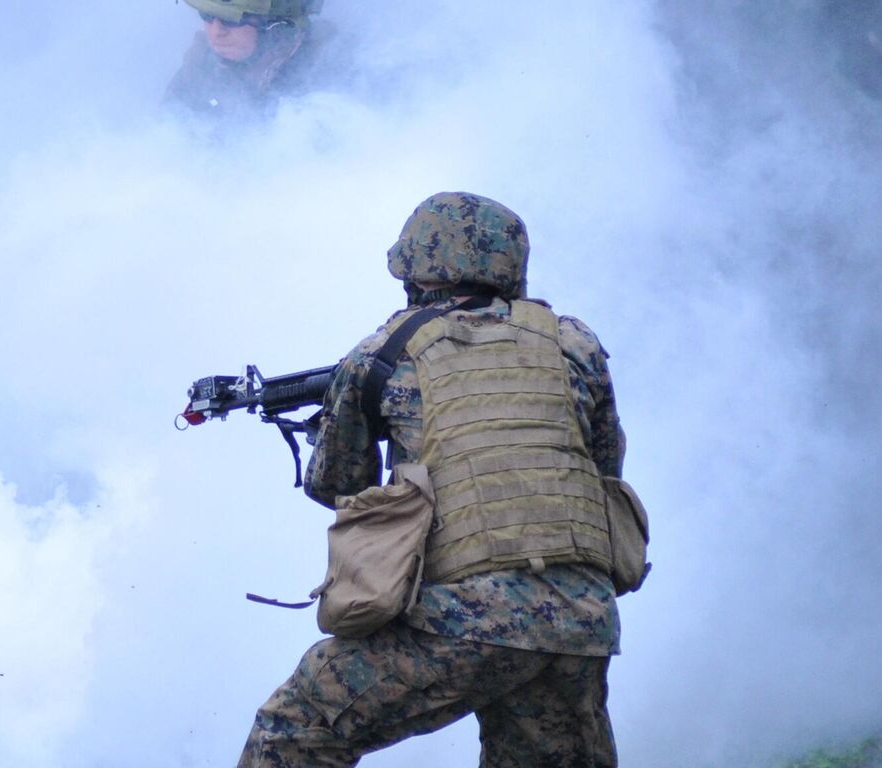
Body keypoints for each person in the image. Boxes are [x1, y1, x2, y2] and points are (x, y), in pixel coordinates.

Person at [239, 192, 629, 767]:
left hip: (465, 621)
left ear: (416, 272)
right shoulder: (574, 344)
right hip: (582, 618)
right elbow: (604, 468)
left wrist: (337, 420)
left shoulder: (382, 352)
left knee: (297, 727)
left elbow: (339, 486)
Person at [164, 0, 325, 120]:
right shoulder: (201, 65)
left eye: (231, 19)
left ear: (274, 25)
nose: (216, 31)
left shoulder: (324, 68)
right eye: (207, 15)